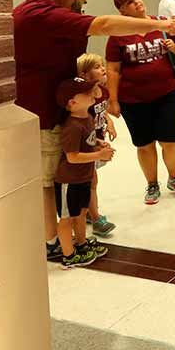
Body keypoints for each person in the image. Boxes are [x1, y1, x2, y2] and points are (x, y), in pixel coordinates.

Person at [13, 0, 175, 262]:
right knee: (50, 183)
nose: (79, 1)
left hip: (60, 110)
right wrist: (160, 24)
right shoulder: (41, 14)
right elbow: (103, 25)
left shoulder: (35, 12)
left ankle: (76, 228)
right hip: (44, 113)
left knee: (69, 180)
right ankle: (54, 243)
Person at [107, 0, 175, 205]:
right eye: (130, 2)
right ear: (122, 11)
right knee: (144, 144)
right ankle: (152, 183)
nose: (137, 3)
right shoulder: (117, 35)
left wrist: (174, 47)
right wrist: (113, 100)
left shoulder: (161, 22)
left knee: (171, 141)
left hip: (167, 94)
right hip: (133, 100)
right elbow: (113, 70)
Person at [53, 77, 112, 269]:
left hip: (83, 177)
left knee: (81, 212)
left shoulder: (87, 117)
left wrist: (98, 143)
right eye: (86, 93)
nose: (92, 94)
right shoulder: (72, 126)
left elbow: (87, 140)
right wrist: (99, 154)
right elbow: (72, 156)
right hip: (69, 180)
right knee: (67, 217)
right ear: (72, 103)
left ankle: (81, 243)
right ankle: (68, 254)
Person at [77, 53, 117, 237]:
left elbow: (102, 110)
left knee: (92, 180)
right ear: (84, 74)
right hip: (88, 144)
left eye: (102, 65)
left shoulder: (103, 91)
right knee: (91, 180)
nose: (102, 69)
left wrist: (109, 122)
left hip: (98, 140)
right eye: (97, 67)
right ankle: (96, 218)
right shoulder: (84, 97)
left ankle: (88, 209)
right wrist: (94, 143)